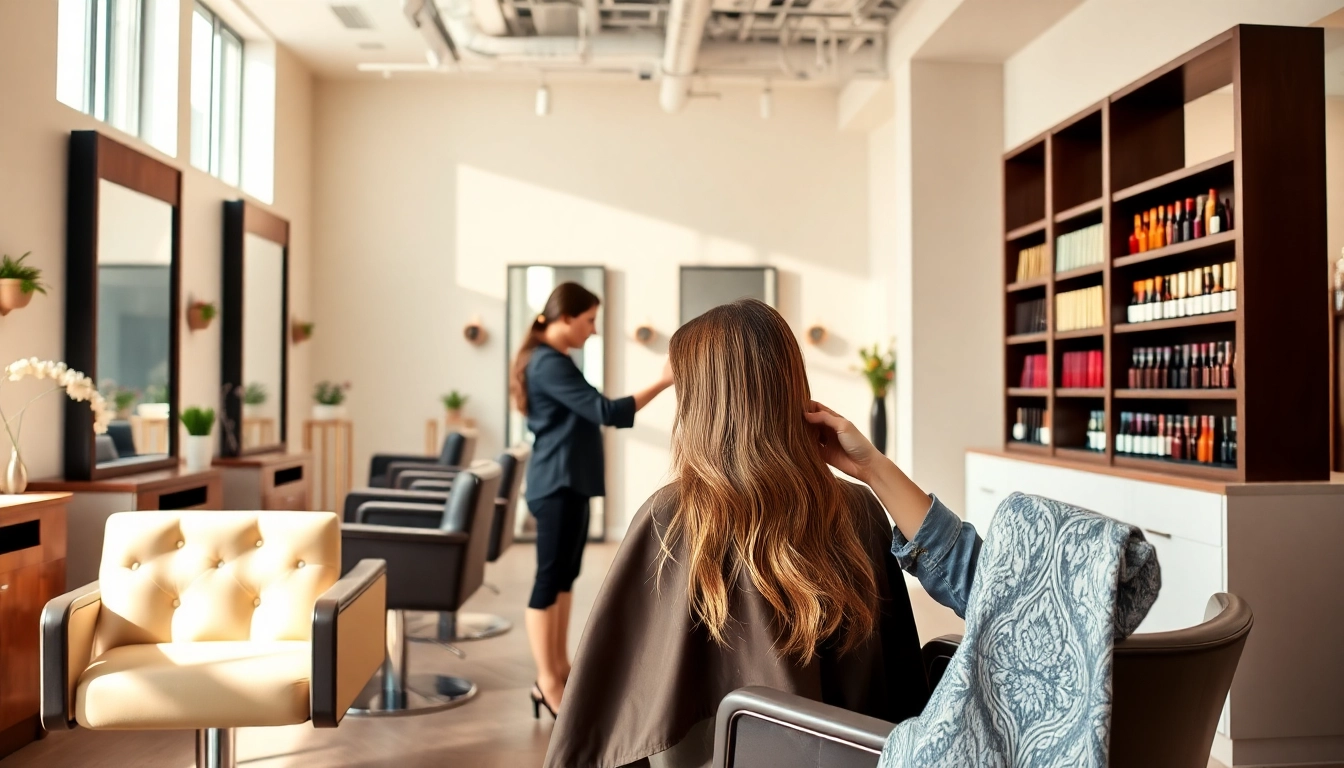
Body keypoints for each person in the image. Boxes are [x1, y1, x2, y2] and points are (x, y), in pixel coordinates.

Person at [542, 299, 982, 768]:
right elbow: (895, 689)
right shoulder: (860, 509)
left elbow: (613, 708)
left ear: (700, 403)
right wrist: (872, 469)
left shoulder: (671, 517)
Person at [510, 281, 674, 719]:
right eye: (589, 321)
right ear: (565, 318)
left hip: (570, 482)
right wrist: (662, 380)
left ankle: (559, 669)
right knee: (549, 579)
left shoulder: (555, 360)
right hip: (556, 483)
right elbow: (605, 411)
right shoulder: (547, 363)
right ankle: (545, 681)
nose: (594, 330)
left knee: (565, 576)